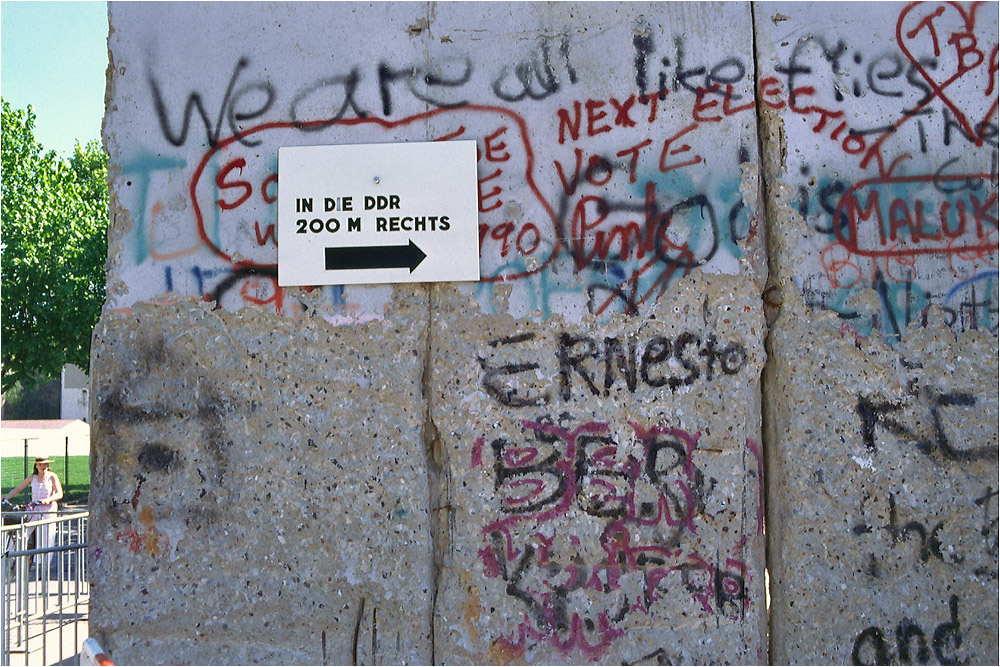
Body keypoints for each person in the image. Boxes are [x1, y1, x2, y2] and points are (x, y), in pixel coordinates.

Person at [3, 456, 64, 570]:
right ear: (36, 466)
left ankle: (44, 565)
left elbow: (59, 493)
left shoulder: (52, 477)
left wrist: (49, 499)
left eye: (45, 464)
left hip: (48, 509)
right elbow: (18, 489)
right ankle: (13, 555)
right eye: (40, 465)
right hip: (34, 508)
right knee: (23, 530)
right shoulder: (33, 477)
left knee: (47, 535)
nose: (43, 467)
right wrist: (6, 497)